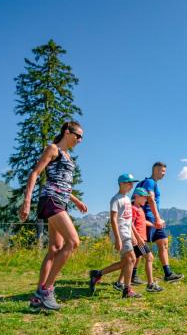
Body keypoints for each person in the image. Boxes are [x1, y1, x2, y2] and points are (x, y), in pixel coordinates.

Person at [20, 121, 87, 311]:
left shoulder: (67, 156)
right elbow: (35, 173)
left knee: (55, 248)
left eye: (82, 137)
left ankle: (37, 299)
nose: (80, 140)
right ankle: (46, 290)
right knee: (73, 242)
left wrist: (75, 200)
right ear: (67, 132)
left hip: (61, 201)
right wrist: (27, 201)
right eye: (78, 136)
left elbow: (63, 182)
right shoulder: (53, 149)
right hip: (51, 199)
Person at [88, 174, 142, 298]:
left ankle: (98, 274)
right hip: (121, 233)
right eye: (129, 183)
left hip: (127, 233)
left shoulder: (127, 199)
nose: (131, 185)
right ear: (121, 183)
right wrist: (118, 238)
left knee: (126, 262)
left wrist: (133, 235)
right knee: (132, 259)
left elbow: (128, 220)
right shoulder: (116, 199)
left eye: (132, 183)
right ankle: (127, 290)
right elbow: (113, 219)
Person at [134, 162, 183, 282]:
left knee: (163, 242)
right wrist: (157, 218)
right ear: (155, 170)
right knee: (140, 247)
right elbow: (150, 199)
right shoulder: (150, 182)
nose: (164, 174)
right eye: (162, 171)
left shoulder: (150, 182)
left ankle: (168, 273)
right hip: (148, 218)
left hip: (152, 218)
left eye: (165, 171)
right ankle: (131, 275)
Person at [109, 187, 164, 293]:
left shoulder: (139, 208)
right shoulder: (133, 208)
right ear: (136, 196)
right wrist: (137, 237)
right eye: (144, 197)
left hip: (139, 239)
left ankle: (119, 282)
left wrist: (153, 224)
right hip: (138, 240)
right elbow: (131, 224)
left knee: (129, 262)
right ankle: (150, 284)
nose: (146, 200)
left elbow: (142, 222)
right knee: (149, 257)